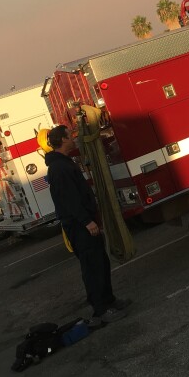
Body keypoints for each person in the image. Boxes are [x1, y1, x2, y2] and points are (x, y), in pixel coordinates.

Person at [45, 125, 131, 326]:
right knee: (92, 267)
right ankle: (101, 310)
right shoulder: (59, 168)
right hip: (79, 226)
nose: (74, 138)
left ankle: (109, 300)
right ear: (63, 140)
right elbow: (70, 199)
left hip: (84, 223)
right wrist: (86, 221)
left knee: (101, 262)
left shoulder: (64, 164)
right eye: (70, 136)